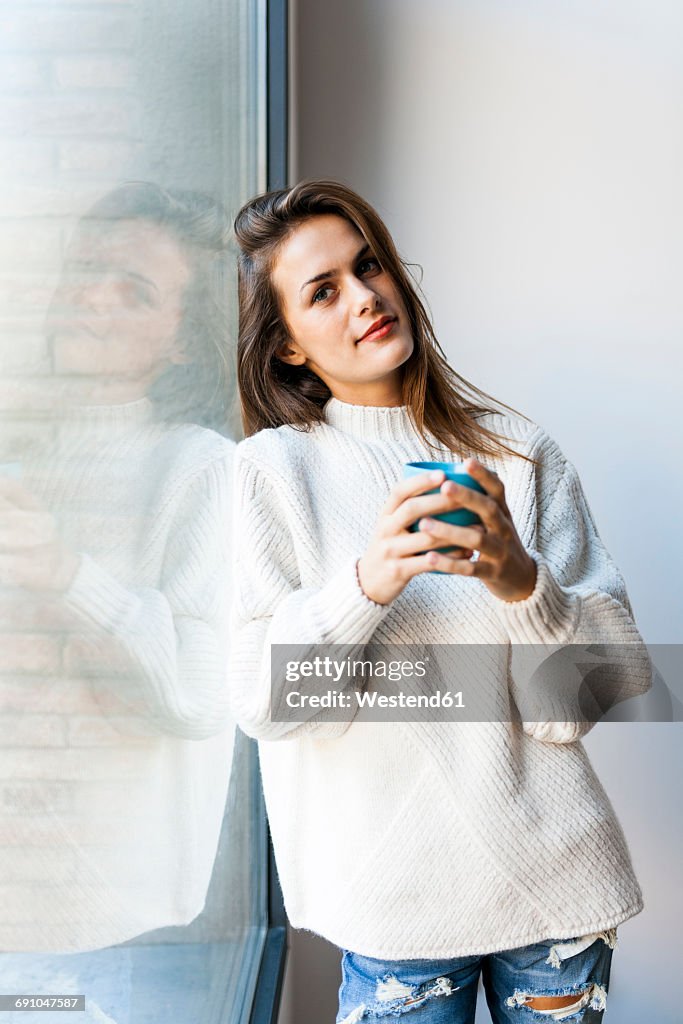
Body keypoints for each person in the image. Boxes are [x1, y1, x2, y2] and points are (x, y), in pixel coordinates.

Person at [228, 180, 651, 1024]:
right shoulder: (271, 476)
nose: (364, 296)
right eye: (323, 291)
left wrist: (518, 580)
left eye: (368, 264)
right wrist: (367, 581)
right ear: (287, 350)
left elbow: (596, 694)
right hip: (392, 911)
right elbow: (263, 704)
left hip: (555, 899)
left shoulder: (520, 454)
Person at [0, 183, 237, 1019]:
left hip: (97, 943)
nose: (91, 295)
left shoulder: (198, 468)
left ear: (181, 341)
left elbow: (203, 697)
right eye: (85, 269)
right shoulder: (16, 448)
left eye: (132, 289)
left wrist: (64, 575)